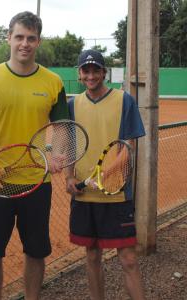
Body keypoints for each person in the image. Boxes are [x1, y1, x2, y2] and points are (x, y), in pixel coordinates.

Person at [0, 11, 69, 300]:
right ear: (9, 38)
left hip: (37, 183)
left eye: (31, 38)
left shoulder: (53, 82)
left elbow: (63, 127)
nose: (24, 44)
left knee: (36, 251)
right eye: (19, 37)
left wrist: (56, 153)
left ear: (38, 41)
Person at [65, 49, 146, 300]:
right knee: (91, 256)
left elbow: (128, 147)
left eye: (96, 70)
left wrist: (102, 175)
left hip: (116, 194)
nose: (91, 75)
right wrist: (69, 177)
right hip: (84, 196)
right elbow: (69, 146)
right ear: (79, 74)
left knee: (129, 259)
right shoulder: (72, 105)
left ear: (104, 72)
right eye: (86, 71)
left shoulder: (124, 100)